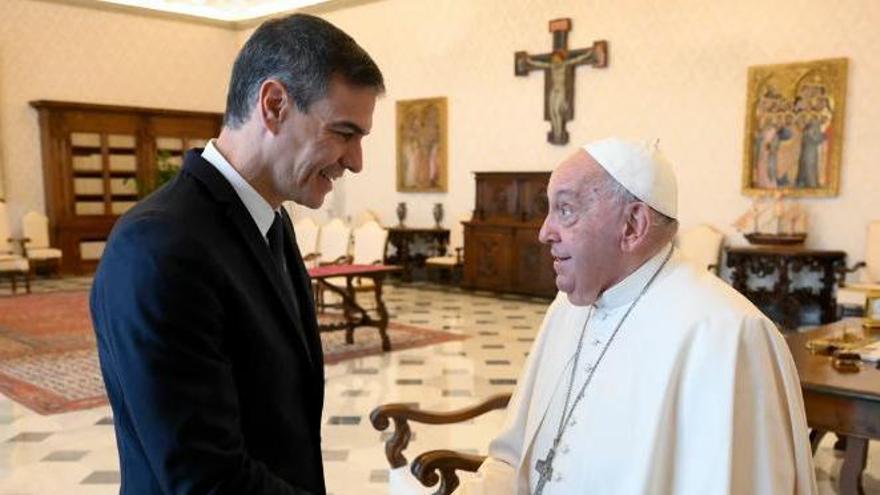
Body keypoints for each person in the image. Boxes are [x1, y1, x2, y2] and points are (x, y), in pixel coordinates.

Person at [90, 14, 383, 494]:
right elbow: (206, 478)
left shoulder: (272, 219)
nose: (355, 161)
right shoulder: (159, 246)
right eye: (344, 133)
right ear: (274, 105)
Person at [455, 138, 816, 494]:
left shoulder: (728, 335)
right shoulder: (565, 309)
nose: (544, 232)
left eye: (564, 210)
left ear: (632, 226)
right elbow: (512, 458)